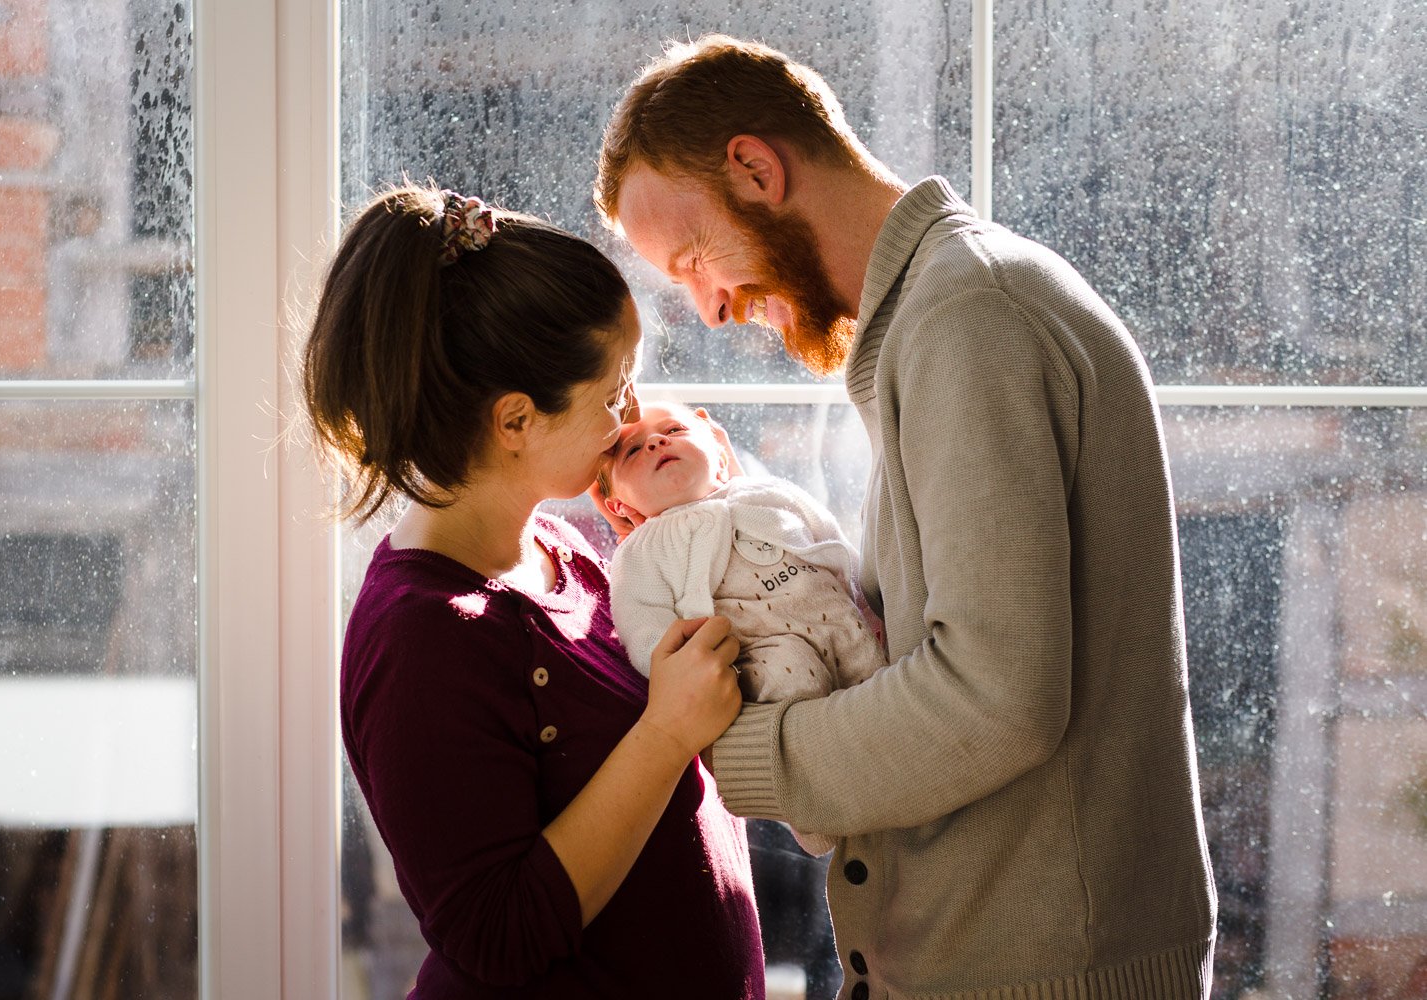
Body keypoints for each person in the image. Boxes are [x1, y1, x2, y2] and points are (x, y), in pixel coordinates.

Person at [593, 35, 1218, 1000]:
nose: (710, 310)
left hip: (1043, 974)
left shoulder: (971, 320)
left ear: (757, 169)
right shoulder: (950, 308)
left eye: (695, 258)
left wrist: (726, 750)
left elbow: (993, 696)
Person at [301, 184, 765, 998]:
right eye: (613, 391)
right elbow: (497, 932)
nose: (631, 417)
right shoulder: (424, 638)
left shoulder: (557, 549)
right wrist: (666, 735)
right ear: (516, 422)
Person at [600, 401, 885, 706]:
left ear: (720, 456)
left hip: (843, 625)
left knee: (881, 684)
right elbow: (642, 624)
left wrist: (875, 615)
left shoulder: (769, 492)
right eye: (633, 451)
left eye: (675, 430)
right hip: (762, 658)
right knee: (796, 680)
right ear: (621, 506)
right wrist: (685, 673)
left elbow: (837, 549)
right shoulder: (641, 550)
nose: (657, 442)